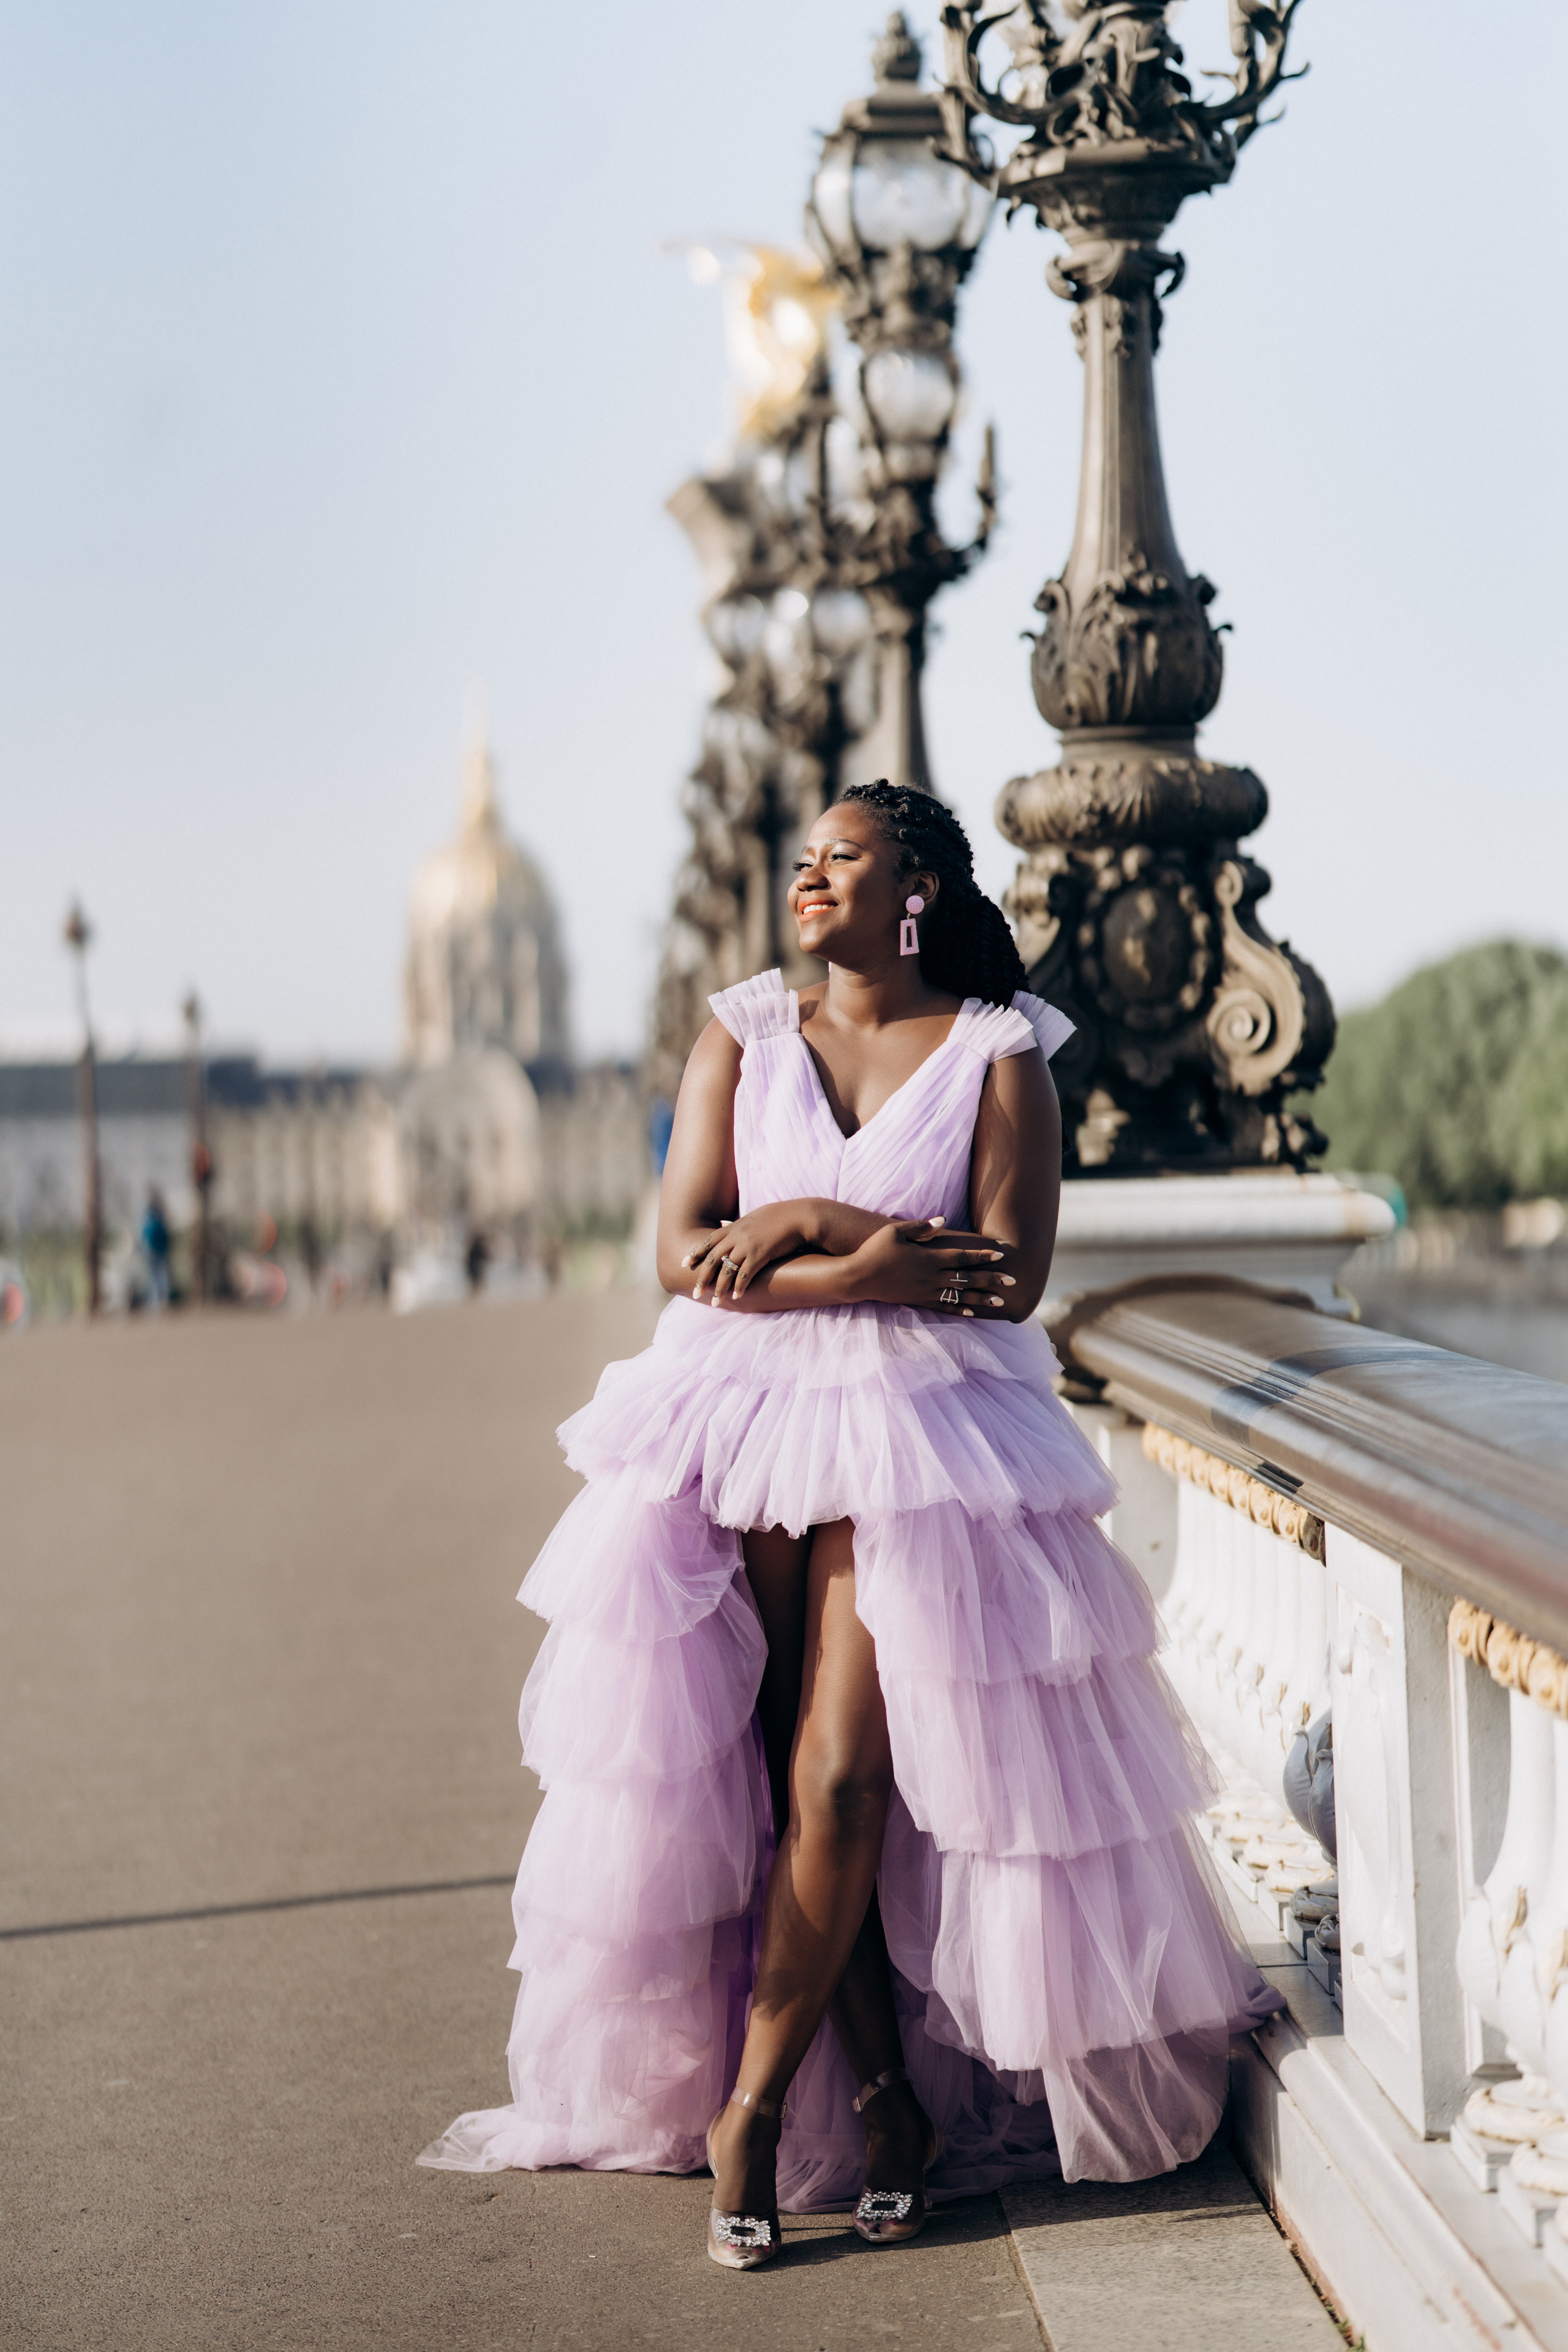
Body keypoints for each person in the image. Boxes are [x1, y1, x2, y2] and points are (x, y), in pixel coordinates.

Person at [418, 782, 1280, 2265]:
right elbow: (683, 1247)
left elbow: (1001, 1279)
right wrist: (856, 1250)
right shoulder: (743, 1032)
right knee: (770, 1781)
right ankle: (882, 2095)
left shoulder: (1000, 1057)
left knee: (834, 1777)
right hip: (733, 1422)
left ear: (917, 893)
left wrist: (804, 1228)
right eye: (801, 858)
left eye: (843, 859)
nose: (808, 877)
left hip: (924, 1440)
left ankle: (747, 2108)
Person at [141, 1188, 172, 1312]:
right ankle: (155, 1303)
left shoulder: (158, 1214)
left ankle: (162, 1301)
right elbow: (145, 1233)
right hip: (152, 1250)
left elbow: (162, 1233)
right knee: (154, 1277)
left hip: (158, 1249)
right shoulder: (149, 1213)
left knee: (160, 1277)